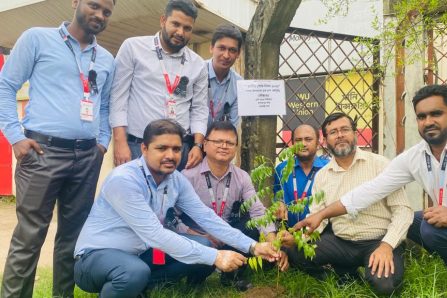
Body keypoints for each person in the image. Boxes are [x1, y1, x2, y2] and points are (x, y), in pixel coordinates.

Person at [295, 85, 447, 294]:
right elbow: (371, 190)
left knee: (430, 227)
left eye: (436, 113)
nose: (428, 121)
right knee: (418, 220)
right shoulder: (417, 156)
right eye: (422, 116)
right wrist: (321, 215)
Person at [73, 119, 280, 297]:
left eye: (176, 149)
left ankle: (143, 287)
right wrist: (216, 257)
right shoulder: (125, 179)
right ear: (144, 148)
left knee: (202, 244)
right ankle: (123, 287)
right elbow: (155, 234)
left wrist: (253, 247)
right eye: (161, 148)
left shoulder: (176, 180)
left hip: (143, 254)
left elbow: (206, 217)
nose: (170, 155)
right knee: (134, 272)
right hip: (96, 260)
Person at [0, 0, 116, 297]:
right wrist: (15, 136)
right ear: (75, 2)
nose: (100, 15)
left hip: (87, 156)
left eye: (106, 12)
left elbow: (103, 106)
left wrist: (102, 142)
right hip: (42, 152)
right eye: (94, 5)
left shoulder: (105, 59)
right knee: (29, 237)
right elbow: (5, 86)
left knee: (72, 239)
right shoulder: (37, 38)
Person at [282, 113, 412, 295]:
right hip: (341, 242)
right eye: (333, 132)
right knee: (295, 251)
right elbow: (317, 219)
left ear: (355, 134)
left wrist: (387, 245)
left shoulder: (380, 165)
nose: (340, 135)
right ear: (325, 140)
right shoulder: (323, 175)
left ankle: (362, 269)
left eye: (344, 130)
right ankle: (345, 271)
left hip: (378, 241)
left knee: (384, 286)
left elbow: (403, 210)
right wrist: (297, 239)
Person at [181, 121, 288, 290]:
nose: (224, 146)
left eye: (230, 143)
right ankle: (195, 280)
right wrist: (193, 233)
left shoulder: (242, 177)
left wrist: (273, 245)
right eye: (218, 141)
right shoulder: (187, 176)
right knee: (201, 245)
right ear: (205, 145)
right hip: (200, 236)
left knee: (250, 225)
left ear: (236, 147)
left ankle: (231, 275)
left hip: (228, 234)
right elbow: (172, 216)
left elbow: (258, 212)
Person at [111, 0, 207, 170]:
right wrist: (120, 142)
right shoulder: (133, 48)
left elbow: (199, 109)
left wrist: (197, 146)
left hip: (179, 150)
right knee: (134, 195)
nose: (180, 32)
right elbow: (118, 97)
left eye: (187, 28)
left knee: (171, 196)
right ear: (163, 20)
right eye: (175, 24)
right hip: (138, 146)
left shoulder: (198, 64)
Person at [273, 124, 329, 227]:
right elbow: (277, 197)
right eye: (298, 140)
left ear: (318, 143)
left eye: (308, 139)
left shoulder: (328, 168)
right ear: (292, 144)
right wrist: (278, 203)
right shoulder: (281, 169)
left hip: (321, 233)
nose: (303, 144)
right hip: (288, 233)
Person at [206, 24, 243, 127]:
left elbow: (232, 125)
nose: (226, 55)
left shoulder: (239, 84)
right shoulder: (196, 72)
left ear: (238, 53)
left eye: (232, 50)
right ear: (211, 48)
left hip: (219, 140)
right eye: (222, 48)